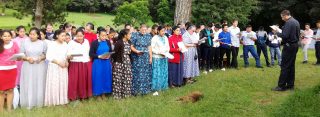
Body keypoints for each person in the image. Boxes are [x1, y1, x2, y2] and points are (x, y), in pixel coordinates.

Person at [19, 28, 47, 109]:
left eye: (34, 34)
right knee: (28, 82)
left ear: (38, 35)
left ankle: (39, 102)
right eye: (30, 34)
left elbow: (45, 55)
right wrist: (27, 59)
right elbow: (21, 55)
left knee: (39, 82)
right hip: (28, 65)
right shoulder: (24, 42)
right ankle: (28, 102)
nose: (31, 36)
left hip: (39, 66)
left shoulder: (43, 43)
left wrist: (40, 58)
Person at [272, 10, 300, 91]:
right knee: (291, 66)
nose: (282, 18)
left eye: (282, 17)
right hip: (295, 45)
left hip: (289, 46)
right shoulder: (296, 21)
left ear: (285, 15)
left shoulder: (288, 23)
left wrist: (277, 32)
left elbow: (285, 36)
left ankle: (281, 86)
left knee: (284, 66)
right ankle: (290, 85)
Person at [45, 29, 69, 106]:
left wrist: (66, 61)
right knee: (54, 83)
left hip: (63, 67)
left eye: (65, 36)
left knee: (62, 83)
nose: (64, 37)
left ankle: (62, 100)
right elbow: (49, 56)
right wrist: (59, 63)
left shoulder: (65, 44)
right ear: (57, 36)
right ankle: (54, 101)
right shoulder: (52, 44)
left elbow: (66, 55)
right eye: (62, 36)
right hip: (54, 66)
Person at [67, 29, 92, 101]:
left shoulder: (86, 41)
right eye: (77, 36)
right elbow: (68, 53)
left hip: (85, 63)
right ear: (75, 36)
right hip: (75, 63)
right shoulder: (71, 42)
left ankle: (84, 95)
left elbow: (88, 52)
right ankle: (73, 96)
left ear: (84, 35)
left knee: (83, 80)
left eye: (81, 36)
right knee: (75, 80)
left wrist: (88, 59)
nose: (79, 37)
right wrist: (69, 56)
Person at [89, 29, 113, 99]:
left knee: (106, 77)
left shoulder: (108, 42)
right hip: (98, 63)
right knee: (98, 78)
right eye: (102, 35)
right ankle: (98, 94)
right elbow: (91, 54)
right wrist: (99, 56)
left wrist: (109, 55)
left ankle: (104, 93)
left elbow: (110, 51)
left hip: (106, 63)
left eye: (105, 35)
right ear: (98, 35)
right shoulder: (94, 43)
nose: (104, 37)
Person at [0, 30, 19, 112]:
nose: (7, 38)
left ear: (11, 37)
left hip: (12, 70)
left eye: (8, 36)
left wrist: (19, 57)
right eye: (4, 36)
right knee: (1, 91)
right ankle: (0, 110)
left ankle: (9, 109)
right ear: (1, 37)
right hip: (1, 70)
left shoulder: (14, 44)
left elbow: (18, 55)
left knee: (10, 89)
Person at [130, 24, 152, 95]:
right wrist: (136, 51)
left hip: (145, 57)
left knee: (145, 73)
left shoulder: (148, 36)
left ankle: (145, 90)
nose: (144, 31)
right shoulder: (134, 35)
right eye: (143, 30)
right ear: (139, 29)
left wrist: (150, 57)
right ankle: (136, 90)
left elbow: (149, 47)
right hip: (137, 57)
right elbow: (131, 46)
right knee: (137, 73)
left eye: (145, 30)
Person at [112, 29, 133, 99]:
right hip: (119, 63)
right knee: (118, 79)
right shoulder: (119, 43)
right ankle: (117, 96)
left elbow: (130, 53)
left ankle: (126, 95)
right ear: (125, 35)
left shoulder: (129, 42)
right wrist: (116, 62)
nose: (130, 35)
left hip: (127, 63)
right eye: (129, 34)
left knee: (127, 79)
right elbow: (114, 54)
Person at [151, 26, 170, 93]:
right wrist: (158, 52)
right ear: (158, 31)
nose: (163, 32)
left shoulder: (165, 37)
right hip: (157, 57)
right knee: (157, 72)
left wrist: (166, 52)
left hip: (164, 57)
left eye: (164, 31)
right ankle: (156, 88)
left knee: (164, 72)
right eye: (162, 31)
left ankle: (164, 86)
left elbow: (168, 47)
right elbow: (152, 48)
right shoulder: (154, 38)